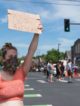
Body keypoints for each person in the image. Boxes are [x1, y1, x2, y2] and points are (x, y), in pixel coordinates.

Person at [0, 22, 43, 106]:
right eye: (10, 56)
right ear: (3, 59)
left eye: (15, 56)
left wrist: (37, 34)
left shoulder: (21, 72)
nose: (13, 58)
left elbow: (31, 51)